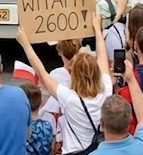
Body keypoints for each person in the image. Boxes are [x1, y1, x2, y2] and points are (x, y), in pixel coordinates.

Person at [17, 11, 112, 154]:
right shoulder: (107, 88)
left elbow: (42, 73)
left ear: (74, 74)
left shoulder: (69, 98)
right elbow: (103, 57)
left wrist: (26, 44)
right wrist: (98, 30)